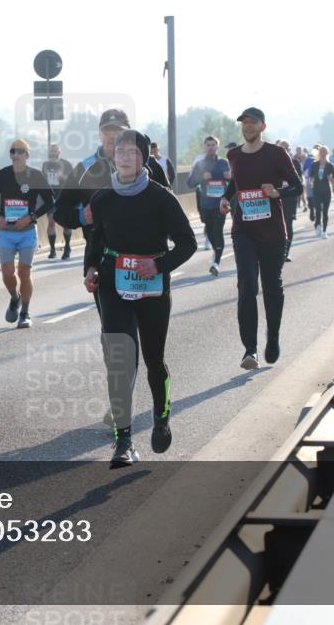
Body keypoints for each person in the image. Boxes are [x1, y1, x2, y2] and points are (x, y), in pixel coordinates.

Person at [83, 130, 196, 467]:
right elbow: (96, 240)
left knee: (152, 360)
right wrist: (90, 268)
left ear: (143, 157)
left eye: (132, 152)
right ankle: (124, 442)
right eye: (120, 151)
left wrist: (158, 265)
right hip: (112, 284)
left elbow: (187, 243)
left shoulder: (161, 198)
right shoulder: (102, 198)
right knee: (120, 361)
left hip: (152, 287)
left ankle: (161, 419)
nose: (125, 157)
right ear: (113, 157)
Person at [219, 107, 302, 370]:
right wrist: (224, 197)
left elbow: (297, 186)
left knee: (271, 286)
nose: (248, 127)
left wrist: (277, 193)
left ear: (263, 127)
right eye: (244, 123)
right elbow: (236, 184)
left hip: (273, 232)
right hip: (243, 229)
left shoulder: (276, 154)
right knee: (246, 285)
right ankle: (250, 350)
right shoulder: (233, 155)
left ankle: (273, 338)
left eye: (253, 123)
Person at [54, 108, 131, 312]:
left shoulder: (146, 165)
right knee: (113, 331)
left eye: (117, 131)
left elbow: (167, 203)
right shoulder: (85, 167)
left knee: (144, 332)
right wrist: (81, 216)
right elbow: (59, 209)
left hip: (141, 259)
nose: (112, 136)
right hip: (102, 260)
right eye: (107, 131)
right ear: (99, 134)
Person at [0, 138, 54, 328]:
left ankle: (25, 312)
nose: (15, 155)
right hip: (6, 232)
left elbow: (50, 201)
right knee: (8, 273)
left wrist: (31, 217)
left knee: (24, 272)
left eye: (20, 151)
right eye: (12, 151)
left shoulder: (35, 176)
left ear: (27, 155)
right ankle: (14, 297)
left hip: (26, 232)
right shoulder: (2, 175)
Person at [187, 135, 231, 276]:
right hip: (205, 204)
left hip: (221, 204)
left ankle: (216, 262)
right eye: (208, 145)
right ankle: (216, 251)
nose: (211, 147)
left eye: (213, 145)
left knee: (218, 232)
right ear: (204, 147)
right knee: (211, 233)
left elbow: (234, 180)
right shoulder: (200, 164)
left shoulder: (224, 163)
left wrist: (229, 176)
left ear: (217, 147)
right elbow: (190, 183)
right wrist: (201, 177)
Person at [40, 144, 75, 259]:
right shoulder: (46, 165)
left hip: (64, 196)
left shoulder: (66, 164)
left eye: (55, 150)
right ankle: (52, 249)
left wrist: (62, 176)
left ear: (59, 151)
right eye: (51, 150)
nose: (53, 152)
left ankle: (67, 247)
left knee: (65, 223)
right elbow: (43, 180)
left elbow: (73, 180)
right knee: (51, 221)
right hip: (51, 196)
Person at [277, 140, 301, 262]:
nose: (285, 151)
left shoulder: (295, 163)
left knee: (288, 224)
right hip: (276, 198)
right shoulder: (272, 163)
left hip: (290, 198)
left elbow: (299, 184)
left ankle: (286, 252)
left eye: (287, 148)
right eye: (282, 148)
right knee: (276, 225)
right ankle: (277, 251)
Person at [309, 146, 334, 239]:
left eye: (324, 152)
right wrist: (312, 180)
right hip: (316, 190)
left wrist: (330, 179)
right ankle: (318, 225)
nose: (323, 153)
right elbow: (311, 177)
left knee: (325, 212)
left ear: (327, 153)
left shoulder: (330, 165)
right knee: (318, 211)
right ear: (319, 153)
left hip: (326, 191)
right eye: (321, 152)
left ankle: (324, 231)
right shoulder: (314, 164)